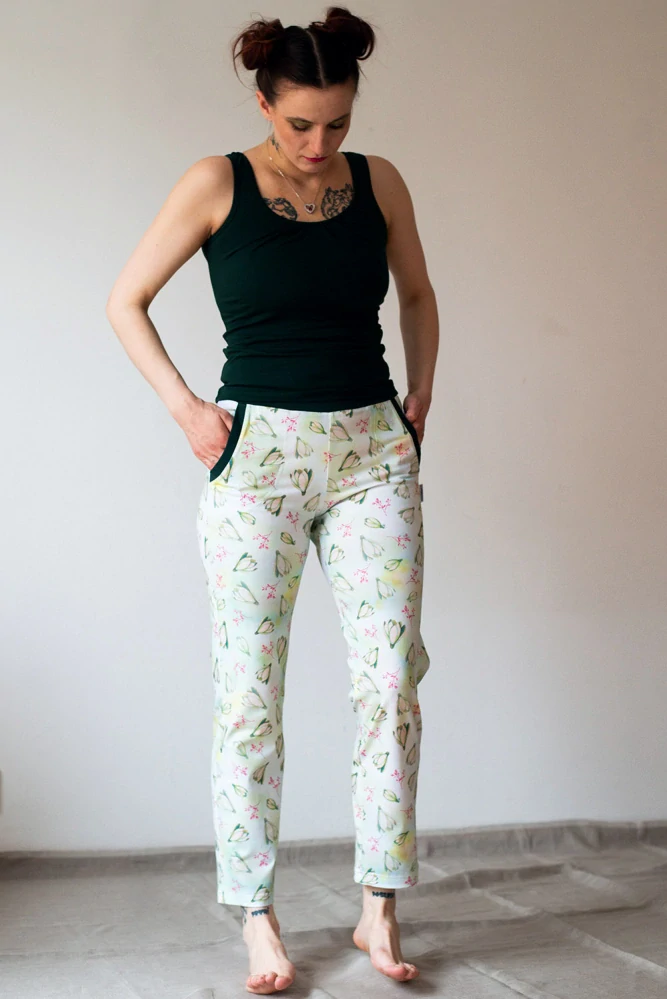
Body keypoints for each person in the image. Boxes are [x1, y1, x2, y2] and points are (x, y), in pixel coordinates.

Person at [106, 5, 438, 994]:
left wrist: (420, 397)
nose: (318, 144)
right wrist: (187, 410)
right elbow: (125, 299)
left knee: (390, 682)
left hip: (371, 450)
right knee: (250, 694)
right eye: (299, 124)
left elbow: (417, 293)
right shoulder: (215, 182)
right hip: (258, 460)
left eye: (336, 123)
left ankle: (380, 904)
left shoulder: (379, 181)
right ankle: (257, 915)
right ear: (263, 104)